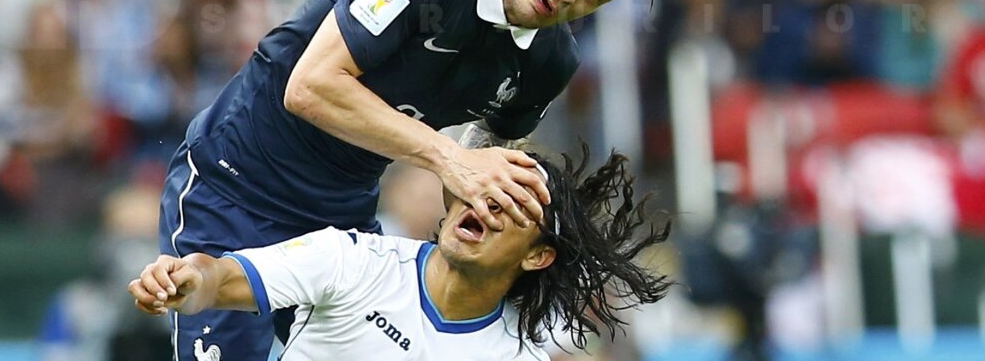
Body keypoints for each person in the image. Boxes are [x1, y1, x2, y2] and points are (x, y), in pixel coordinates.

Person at [158, 0, 681, 359]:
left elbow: (485, 166)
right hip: (234, 188)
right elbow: (309, 88)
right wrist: (448, 158)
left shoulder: (549, 62)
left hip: (340, 222)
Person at [135, 148, 670, 359]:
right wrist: (185, 282)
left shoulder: (519, 355)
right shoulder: (349, 260)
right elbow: (219, 277)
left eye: (515, 204)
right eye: (487, 187)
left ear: (538, 256)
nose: (490, 202)